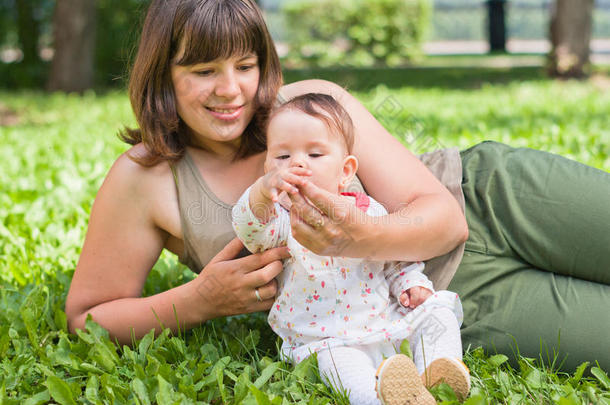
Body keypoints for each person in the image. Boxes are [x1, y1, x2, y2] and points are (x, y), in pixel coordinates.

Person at [65, 0, 609, 387]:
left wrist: (356, 236)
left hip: (493, 198)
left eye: (246, 66)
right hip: (443, 303)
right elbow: (86, 318)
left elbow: (447, 221)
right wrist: (199, 302)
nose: (230, 90)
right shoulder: (144, 179)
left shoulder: (308, 104)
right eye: (204, 70)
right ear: (163, 76)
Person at [231, 93, 470, 404]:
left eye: (315, 154)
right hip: (328, 339)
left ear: (345, 171)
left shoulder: (368, 212)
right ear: (268, 168)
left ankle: (435, 372)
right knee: (342, 369)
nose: (298, 163)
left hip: (386, 323)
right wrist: (261, 194)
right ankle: (382, 396)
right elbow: (249, 228)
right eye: (282, 157)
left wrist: (412, 286)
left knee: (438, 312)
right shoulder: (281, 222)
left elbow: (394, 259)